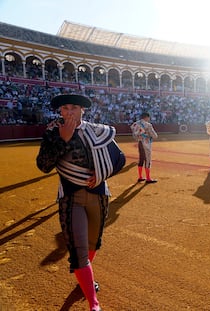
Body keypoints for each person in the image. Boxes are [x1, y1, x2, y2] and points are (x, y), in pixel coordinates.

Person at [36, 94, 126, 311]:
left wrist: (103, 173)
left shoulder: (96, 130)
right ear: (60, 111)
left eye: (74, 108)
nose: (69, 112)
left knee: (93, 243)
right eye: (65, 108)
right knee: (79, 250)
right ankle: (94, 304)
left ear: (82, 110)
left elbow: (119, 158)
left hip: (99, 194)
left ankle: (84, 277)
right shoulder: (52, 133)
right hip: (71, 197)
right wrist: (63, 139)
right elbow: (43, 165)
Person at [130, 112, 158, 183]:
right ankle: (148, 178)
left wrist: (139, 137)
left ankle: (140, 177)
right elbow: (154, 136)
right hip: (146, 143)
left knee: (141, 159)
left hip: (140, 143)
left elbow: (133, 133)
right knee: (147, 160)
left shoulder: (135, 124)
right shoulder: (148, 125)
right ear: (146, 117)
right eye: (148, 118)